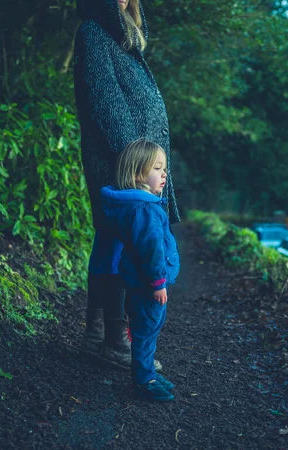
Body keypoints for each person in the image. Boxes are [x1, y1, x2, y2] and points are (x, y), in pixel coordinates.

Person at [73, 0, 180, 370]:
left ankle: (101, 334)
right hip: (119, 164)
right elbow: (105, 101)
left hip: (132, 165)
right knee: (116, 241)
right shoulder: (93, 32)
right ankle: (112, 337)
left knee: (115, 240)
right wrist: (138, 163)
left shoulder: (121, 40)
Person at [100, 139, 179, 401]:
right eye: (157, 168)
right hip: (148, 285)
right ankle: (144, 380)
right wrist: (158, 283)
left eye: (164, 168)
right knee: (146, 330)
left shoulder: (142, 205)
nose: (164, 173)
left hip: (143, 282)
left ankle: (147, 373)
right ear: (137, 174)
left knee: (148, 329)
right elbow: (150, 249)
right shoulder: (144, 209)